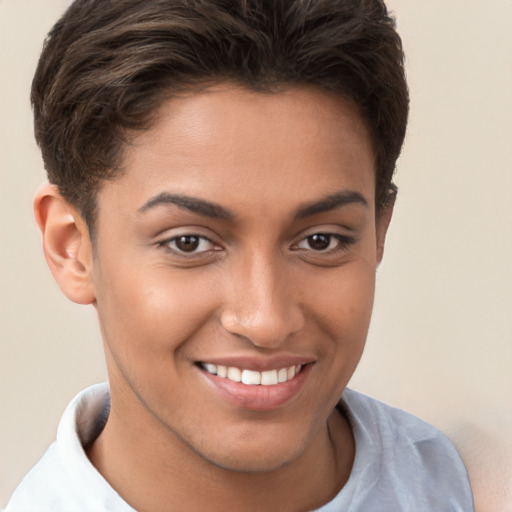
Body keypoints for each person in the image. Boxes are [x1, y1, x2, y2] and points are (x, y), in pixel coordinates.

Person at [3, 0, 474, 510]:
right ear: (71, 247)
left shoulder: (464, 484)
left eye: (321, 240)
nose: (266, 321)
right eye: (189, 242)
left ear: (379, 233)